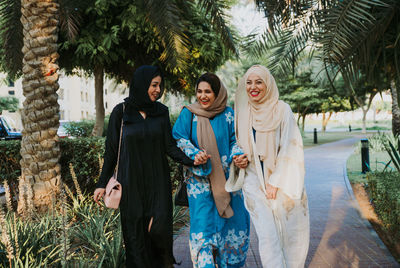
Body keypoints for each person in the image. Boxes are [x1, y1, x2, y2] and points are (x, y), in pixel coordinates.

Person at [93, 65, 206, 268]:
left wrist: (192, 159)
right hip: (131, 186)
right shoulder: (121, 112)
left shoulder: (161, 112)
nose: (157, 90)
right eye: (154, 85)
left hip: (158, 185)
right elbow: (111, 152)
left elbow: (169, 146)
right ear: (142, 84)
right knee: (135, 241)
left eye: (160, 86)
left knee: (160, 236)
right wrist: (102, 183)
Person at [226, 65, 309, 268]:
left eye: (258, 82)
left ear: (268, 84)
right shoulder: (243, 111)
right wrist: (238, 157)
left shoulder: (282, 109)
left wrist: (276, 181)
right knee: (267, 235)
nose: (253, 87)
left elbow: (291, 146)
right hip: (253, 179)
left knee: (290, 232)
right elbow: (236, 142)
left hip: (280, 179)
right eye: (249, 82)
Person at [172, 73, 250, 268]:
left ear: (217, 93)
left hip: (227, 182)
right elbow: (179, 138)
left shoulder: (230, 114)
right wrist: (194, 154)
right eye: (199, 91)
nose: (203, 96)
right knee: (202, 229)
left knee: (234, 225)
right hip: (199, 184)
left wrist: (238, 155)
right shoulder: (188, 114)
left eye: (208, 91)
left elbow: (236, 140)